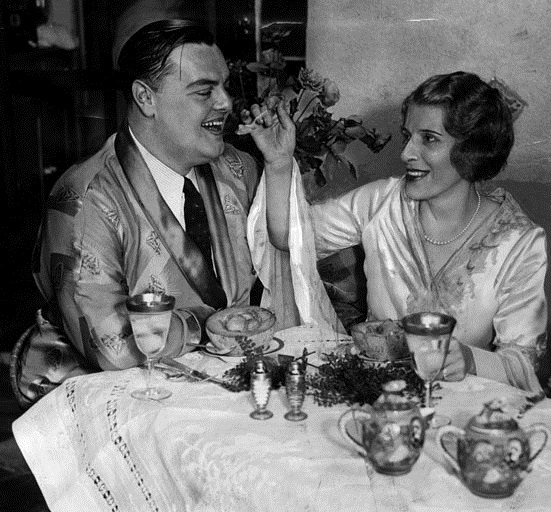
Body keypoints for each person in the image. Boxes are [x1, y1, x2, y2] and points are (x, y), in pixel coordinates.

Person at [12, 0, 341, 407]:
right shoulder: (85, 199)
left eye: (223, 87)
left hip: (228, 388)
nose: (225, 103)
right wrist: (213, 324)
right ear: (145, 98)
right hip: (130, 396)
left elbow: (286, 265)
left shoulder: (239, 169)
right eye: (205, 91)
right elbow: (112, 347)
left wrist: (278, 168)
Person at [262, 71, 547, 393]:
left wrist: (467, 358)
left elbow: (523, 363)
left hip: (462, 407)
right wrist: (278, 163)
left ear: (473, 149)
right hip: (373, 392)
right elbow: (289, 236)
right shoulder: (381, 202)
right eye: (407, 136)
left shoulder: (519, 241)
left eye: (429, 139)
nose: (406, 154)